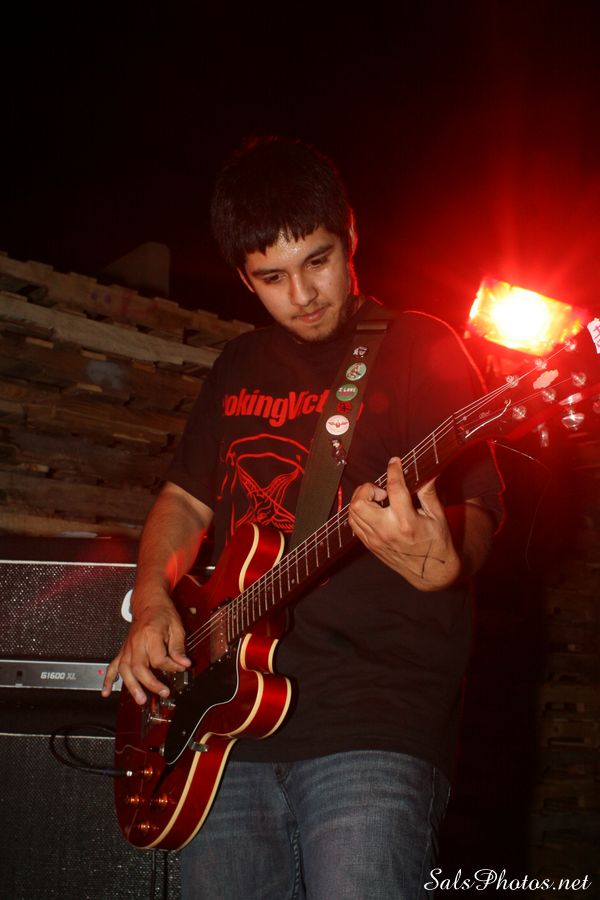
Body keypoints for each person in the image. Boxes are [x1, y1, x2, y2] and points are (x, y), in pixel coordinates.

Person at [103, 136, 503, 899]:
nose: (303, 294)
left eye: (317, 260)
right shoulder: (238, 364)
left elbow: (477, 507)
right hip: (222, 730)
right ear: (243, 278)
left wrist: (448, 559)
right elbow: (184, 499)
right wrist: (152, 599)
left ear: (350, 235)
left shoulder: (420, 347)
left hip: (372, 718)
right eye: (272, 277)